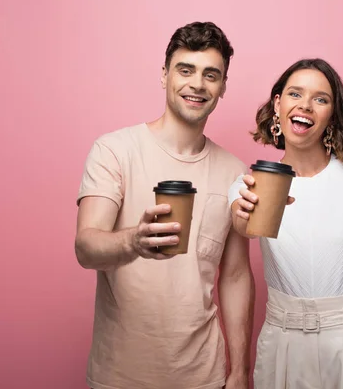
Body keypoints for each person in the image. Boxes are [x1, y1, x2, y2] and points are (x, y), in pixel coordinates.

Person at [75, 21, 254, 389]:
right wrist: (133, 242)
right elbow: (86, 247)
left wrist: (240, 371)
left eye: (211, 75)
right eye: (185, 70)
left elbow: (235, 275)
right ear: (164, 75)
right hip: (119, 376)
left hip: (204, 377)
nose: (197, 84)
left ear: (222, 87)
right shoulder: (115, 150)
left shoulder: (234, 172)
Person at [229, 58, 343, 388]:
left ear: (332, 115)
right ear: (278, 104)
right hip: (281, 343)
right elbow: (244, 228)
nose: (306, 106)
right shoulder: (251, 184)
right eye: (295, 94)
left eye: (320, 99)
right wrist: (242, 213)